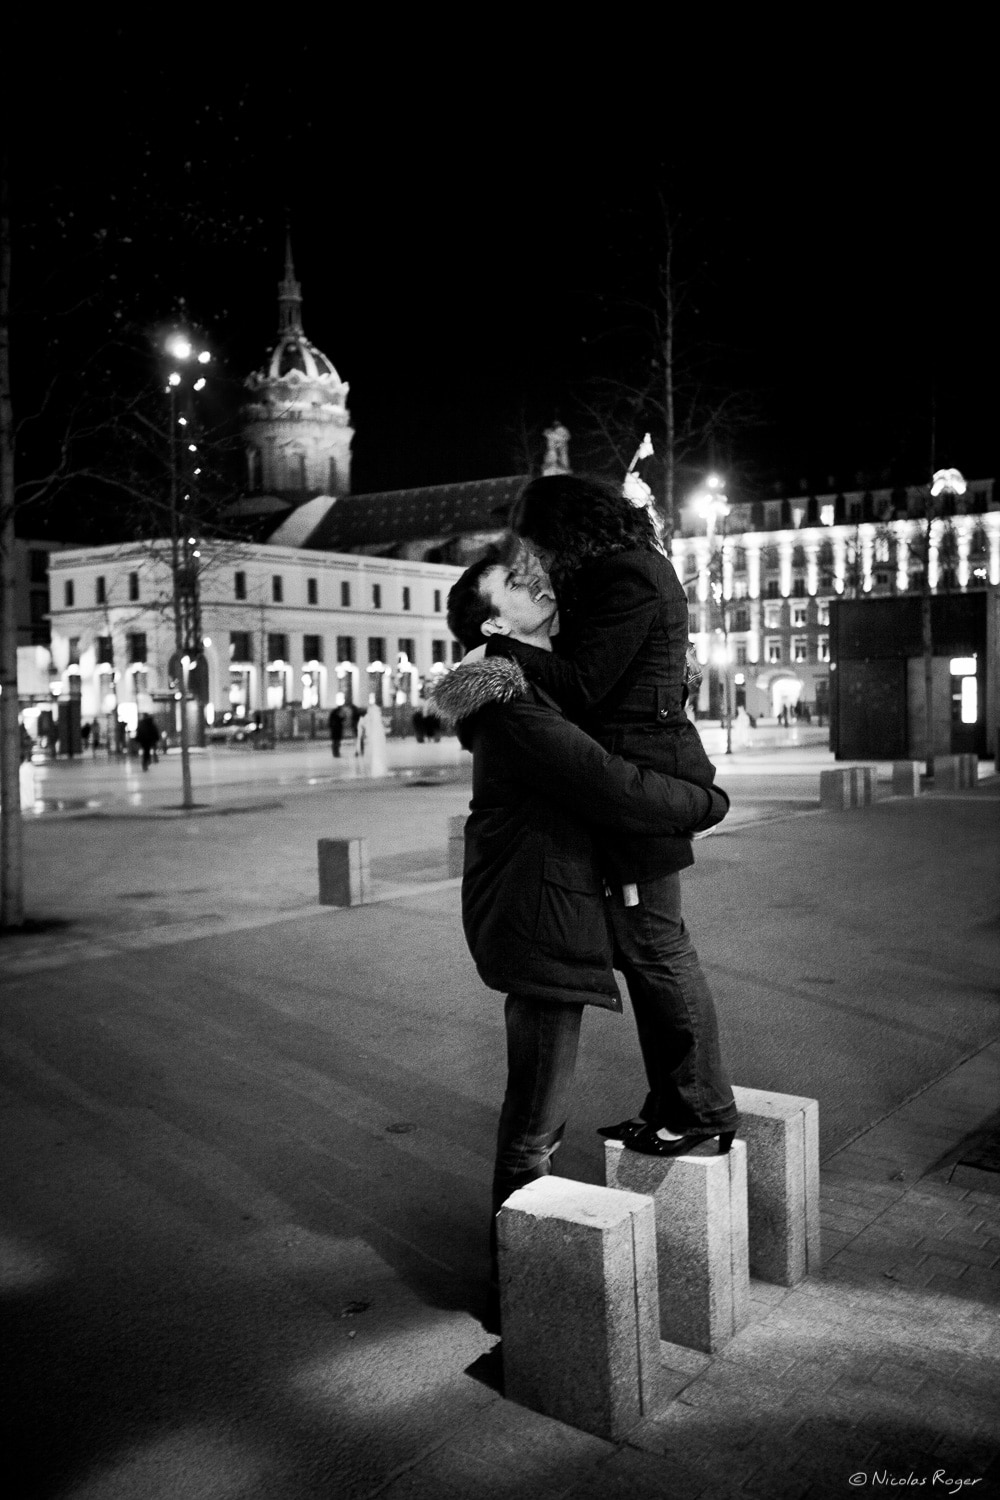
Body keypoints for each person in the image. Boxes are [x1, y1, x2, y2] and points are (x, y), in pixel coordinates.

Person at [432, 552, 732, 1315]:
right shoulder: (507, 699)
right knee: (535, 1119)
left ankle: (524, 1277)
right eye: (515, 584)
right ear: (495, 622)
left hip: (554, 899)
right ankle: (516, 1292)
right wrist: (701, 802)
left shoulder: (543, 677)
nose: (537, 582)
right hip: (536, 912)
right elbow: (601, 778)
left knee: (540, 1108)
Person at [485, 474, 739, 1155]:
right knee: (644, 945)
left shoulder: (625, 576)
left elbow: (585, 684)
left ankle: (702, 1106)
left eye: (539, 541)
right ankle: (675, 1102)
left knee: (655, 945)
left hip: (641, 780)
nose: (535, 558)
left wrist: (505, 648)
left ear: (566, 530)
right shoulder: (622, 569)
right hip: (636, 774)